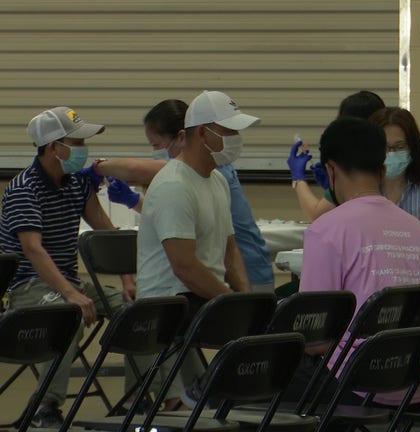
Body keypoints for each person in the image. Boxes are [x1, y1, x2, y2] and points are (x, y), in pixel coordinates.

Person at [285, 116, 420, 410]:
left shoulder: (327, 229)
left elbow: (312, 336)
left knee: (253, 371)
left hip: (359, 385)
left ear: (330, 170)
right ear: (382, 171)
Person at [0, 106, 135, 428]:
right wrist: (70, 293)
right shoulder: (23, 189)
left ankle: (142, 394)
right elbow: (33, 249)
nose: (82, 150)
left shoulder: (76, 184)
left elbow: (105, 231)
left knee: (137, 310)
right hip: (28, 288)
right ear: (53, 148)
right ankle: (46, 405)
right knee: (67, 313)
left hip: (68, 282)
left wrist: (128, 278)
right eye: (76, 142)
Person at [80, 99, 274, 291]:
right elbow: (185, 268)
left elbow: (229, 249)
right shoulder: (174, 182)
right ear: (201, 133)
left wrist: (243, 301)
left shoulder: (217, 178)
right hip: (175, 304)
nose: (236, 138)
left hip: (208, 294)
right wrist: (233, 305)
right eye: (229, 131)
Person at [290, 90, 386, 220]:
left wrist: (298, 179)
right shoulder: (379, 156)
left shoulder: (352, 163)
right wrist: (333, 189)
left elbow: (318, 215)